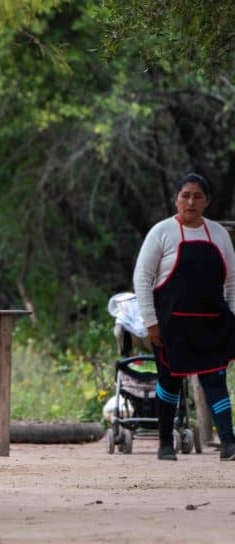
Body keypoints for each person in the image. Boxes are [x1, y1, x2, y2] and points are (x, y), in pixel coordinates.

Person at [133, 173, 235, 461]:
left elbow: (232, 281)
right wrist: (151, 322)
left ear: (207, 202)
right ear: (176, 199)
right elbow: (142, 278)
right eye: (185, 195)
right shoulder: (161, 233)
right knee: (169, 381)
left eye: (197, 196)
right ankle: (165, 443)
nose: (190, 201)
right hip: (171, 325)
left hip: (212, 324)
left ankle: (229, 442)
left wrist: (233, 318)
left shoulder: (218, 235)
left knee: (215, 381)